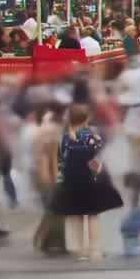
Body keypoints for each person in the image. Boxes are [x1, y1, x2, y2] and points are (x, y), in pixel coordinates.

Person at [48, 104, 123, 261]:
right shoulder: (91, 135)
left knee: (75, 215)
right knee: (92, 215)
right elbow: (97, 155)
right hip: (90, 179)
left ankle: (78, 250)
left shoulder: (64, 137)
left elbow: (60, 160)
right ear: (86, 118)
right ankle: (95, 250)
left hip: (70, 179)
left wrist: (59, 179)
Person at [31, 105, 66, 255]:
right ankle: (49, 242)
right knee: (56, 210)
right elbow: (49, 157)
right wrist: (54, 178)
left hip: (42, 174)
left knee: (52, 210)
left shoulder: (45, 128)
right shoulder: (53, 131)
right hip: (48, 174)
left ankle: (46, 241)